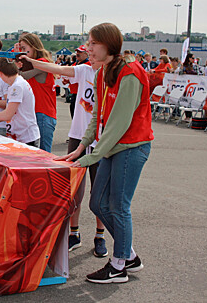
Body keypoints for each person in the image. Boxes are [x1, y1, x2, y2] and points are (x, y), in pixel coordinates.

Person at [62, 22, 153, 284]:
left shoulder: (131, 73)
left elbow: (118, 124)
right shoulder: (101, 73)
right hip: (112, 147)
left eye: (93, 43)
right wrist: (81, 146)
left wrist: (91, 156)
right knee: (97, 203)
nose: (87, 48)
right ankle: (129, 255)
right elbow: (97, 117)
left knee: (118, 206)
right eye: (88, 43)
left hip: (131, 147)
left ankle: (118, 265)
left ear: (108, 45)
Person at [20, 55, 108, 257]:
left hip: (100, 140)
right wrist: (31, 61)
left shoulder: (111, 78)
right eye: (90, 55)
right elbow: (57, 69)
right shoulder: (84, 71)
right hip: (78, 137)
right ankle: (74, 234)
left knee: (99, 192)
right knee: (74, 190)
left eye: (94, 54)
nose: (91, 58)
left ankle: (100, 236)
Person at [18, 33, 56, 152]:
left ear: (34, 46)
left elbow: (22, 75)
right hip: (39, 113)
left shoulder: (41, 62)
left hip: (43, 114)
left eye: (24, 49)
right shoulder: (36, 63)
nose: (22, 52)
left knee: (43, 154)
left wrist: (15, 59)